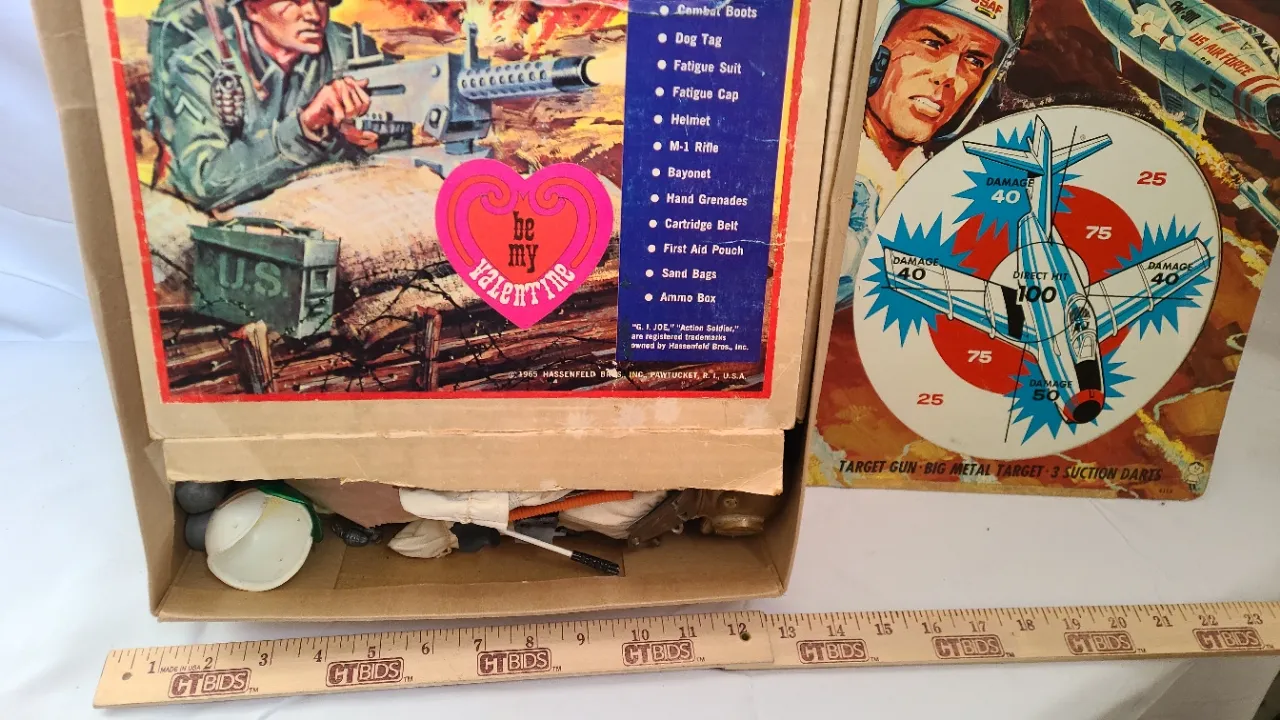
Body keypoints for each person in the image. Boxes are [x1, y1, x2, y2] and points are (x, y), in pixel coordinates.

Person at [838, 0, 1028, 303]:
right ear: (876, 48)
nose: (949, 75)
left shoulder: (950, 193)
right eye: (932, 44)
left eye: (974, 60)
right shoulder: (821, 172)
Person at [147, 0, 381, 211]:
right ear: (251, 8)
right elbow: (205, 182)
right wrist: (303, 129)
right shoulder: (198, 64)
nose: (314, 14)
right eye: (295, 1)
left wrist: (354, 138)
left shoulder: (349, 48)